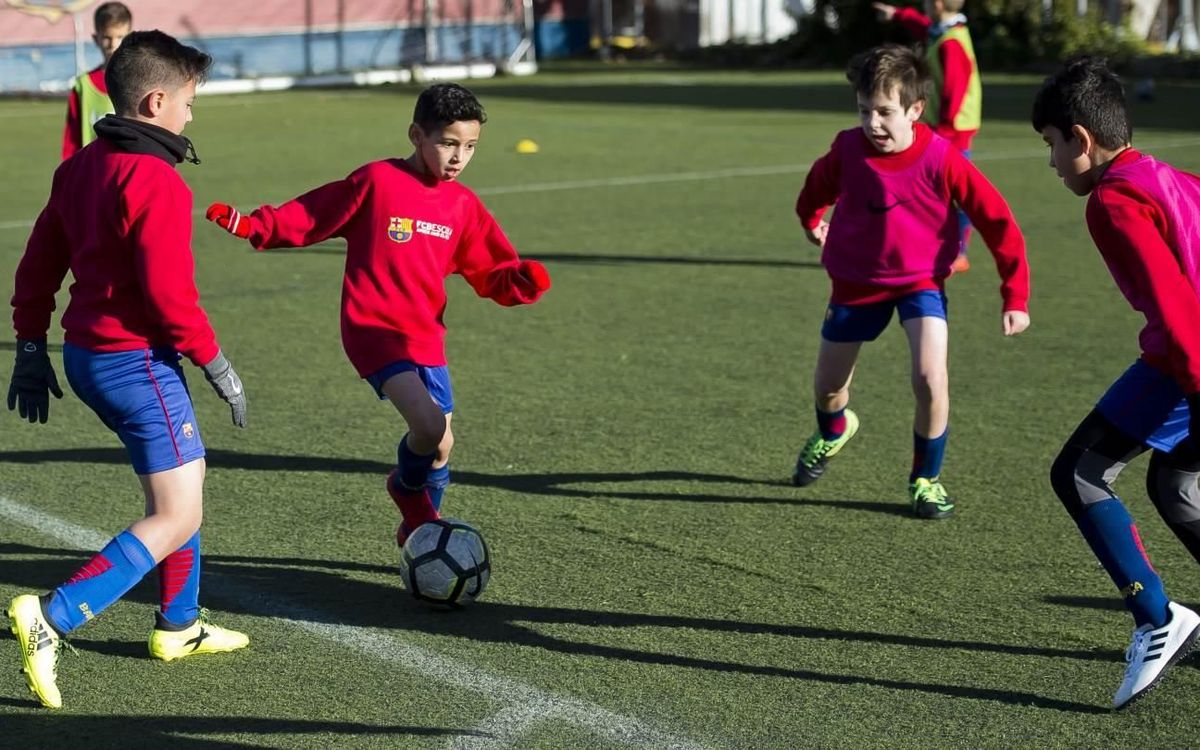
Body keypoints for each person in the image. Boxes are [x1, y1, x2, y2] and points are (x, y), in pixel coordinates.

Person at [7, 30, 250, 710]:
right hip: (134, 362)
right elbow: (171, 297)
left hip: (88, 357)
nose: (192, 116)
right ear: (155, 100)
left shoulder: (81, 165)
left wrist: (30, 345)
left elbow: (38, 266)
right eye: (189, 102)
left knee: (187, 479)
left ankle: (178, 625)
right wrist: (215, 362)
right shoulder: (157, 181)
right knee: (176, 512)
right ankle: (54, 616)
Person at [205, 82, 550, 546]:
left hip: (424, 335)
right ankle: (409, 500)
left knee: (442, 445)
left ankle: (420, 529)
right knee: (427, 427)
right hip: (373, 328)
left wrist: (519, 282)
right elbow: (313, 213)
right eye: (447, 143)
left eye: (470, 147)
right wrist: (255, 225)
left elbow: (491, 268)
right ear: (416, 135)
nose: (458, 157)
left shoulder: (463, 205)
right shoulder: (377, 182)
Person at [792, 44, 1029, 519]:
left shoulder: (943, 158)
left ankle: (926, 479)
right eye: (864, 112)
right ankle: (835, 430)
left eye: (885, 112)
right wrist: (813, 221)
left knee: (929, 377)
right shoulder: (847, 149)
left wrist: (1015, 294)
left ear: (916, 109)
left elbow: (997, 219)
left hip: (921, 281)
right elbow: (814, 190)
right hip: (856, 283)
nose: (873, 124)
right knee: (828, 389)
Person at [1032, 55, 1200, 709]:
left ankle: (1159, 620)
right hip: (1184, 356)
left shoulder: (1113, 199)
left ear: (1081, 137)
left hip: (1186, 359)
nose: (1050, 163)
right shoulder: (1166, 176)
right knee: (1175, 481)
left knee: (1077, 472)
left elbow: (1178, 311)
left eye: (1050, 146)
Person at [873, 0, 980, 271]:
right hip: (945, 129)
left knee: (953, 193)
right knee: (933, 191)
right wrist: (898, 14)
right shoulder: (945, 30)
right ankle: (932, 248)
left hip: (951, 132)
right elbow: (924, 27)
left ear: (937, 4)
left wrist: (941, 131)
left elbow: (954, 91)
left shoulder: (951, 43)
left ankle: (956, 252)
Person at [62, 2, 132, 160]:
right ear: (96, 39)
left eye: (120, 37)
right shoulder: (83, 85)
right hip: (94, 171)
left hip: (130, 169)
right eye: (107, 38)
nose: (113, 45)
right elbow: (72, 139)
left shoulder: (141, 79)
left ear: (130, 37)